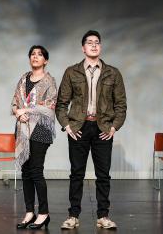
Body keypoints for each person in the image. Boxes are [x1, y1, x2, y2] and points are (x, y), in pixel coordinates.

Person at [56, 30, 127, 230]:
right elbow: (61, 103)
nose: (94, 45)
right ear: (83, 48)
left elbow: (121, 104)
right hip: (79, 127)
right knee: (76, 173)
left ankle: (103, 216)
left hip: (102, 127)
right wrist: (67, 125)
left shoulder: (112, 72)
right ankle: (73, 216)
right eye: (89, 42)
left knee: (103, 175)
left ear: (100, 47)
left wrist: (114, 127)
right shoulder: (72, 72)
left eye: (97, 42)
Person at [11, 45, 57, 230]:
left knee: (36, 170)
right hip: (22, 128)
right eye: (32, 54)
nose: (35, 57)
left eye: (39, 55)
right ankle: (30, 211)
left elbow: (49, 106)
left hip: (40, 129)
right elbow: (14, 101)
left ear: (45, 60)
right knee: (25, 172)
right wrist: (18, 113)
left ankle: (44, 213)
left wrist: (26, 110)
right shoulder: (23, 79)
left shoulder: (49, 81)